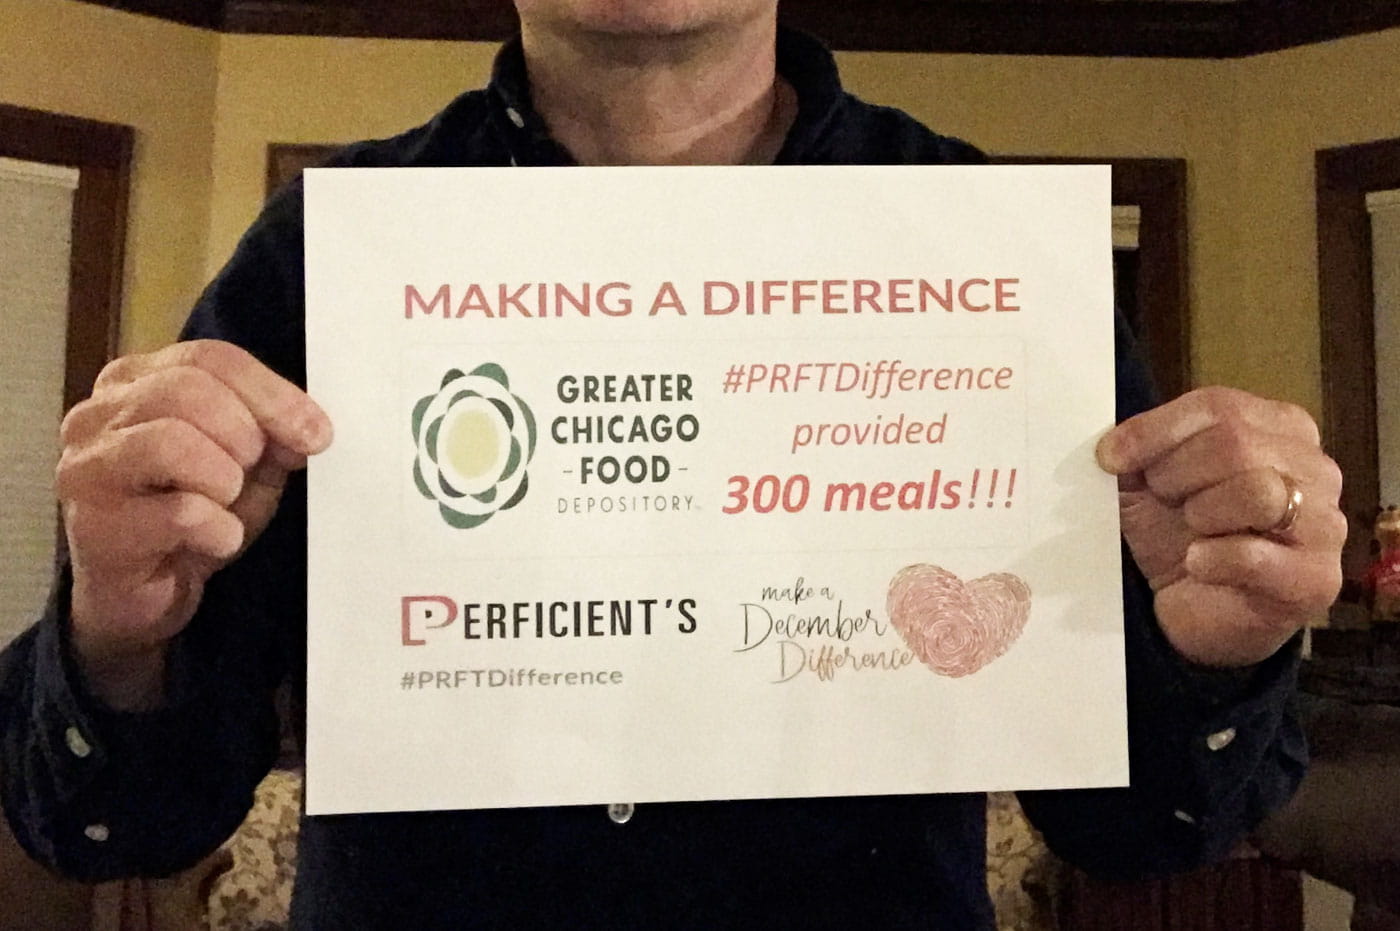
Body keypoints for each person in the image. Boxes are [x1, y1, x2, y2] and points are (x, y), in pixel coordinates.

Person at [0, 1, 1344, 927]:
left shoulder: (978, 254)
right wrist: (119, 633)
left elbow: (1142, 831)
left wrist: (1220, 653)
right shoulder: (321, 255)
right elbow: (123, 825)